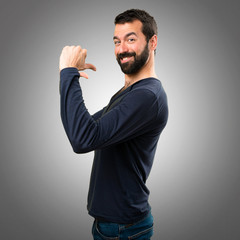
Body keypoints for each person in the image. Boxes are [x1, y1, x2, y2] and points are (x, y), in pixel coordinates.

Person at [59, 9, 168, 240]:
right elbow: (84, 128)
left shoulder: (147, 97)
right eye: (117, 41)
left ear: (152, 41)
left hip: (124, 230)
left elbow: (82, 139)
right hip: (112, 226)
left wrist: (68, 74)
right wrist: (71, 77)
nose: (122, 49)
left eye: (131, 39)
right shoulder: (131, 92)